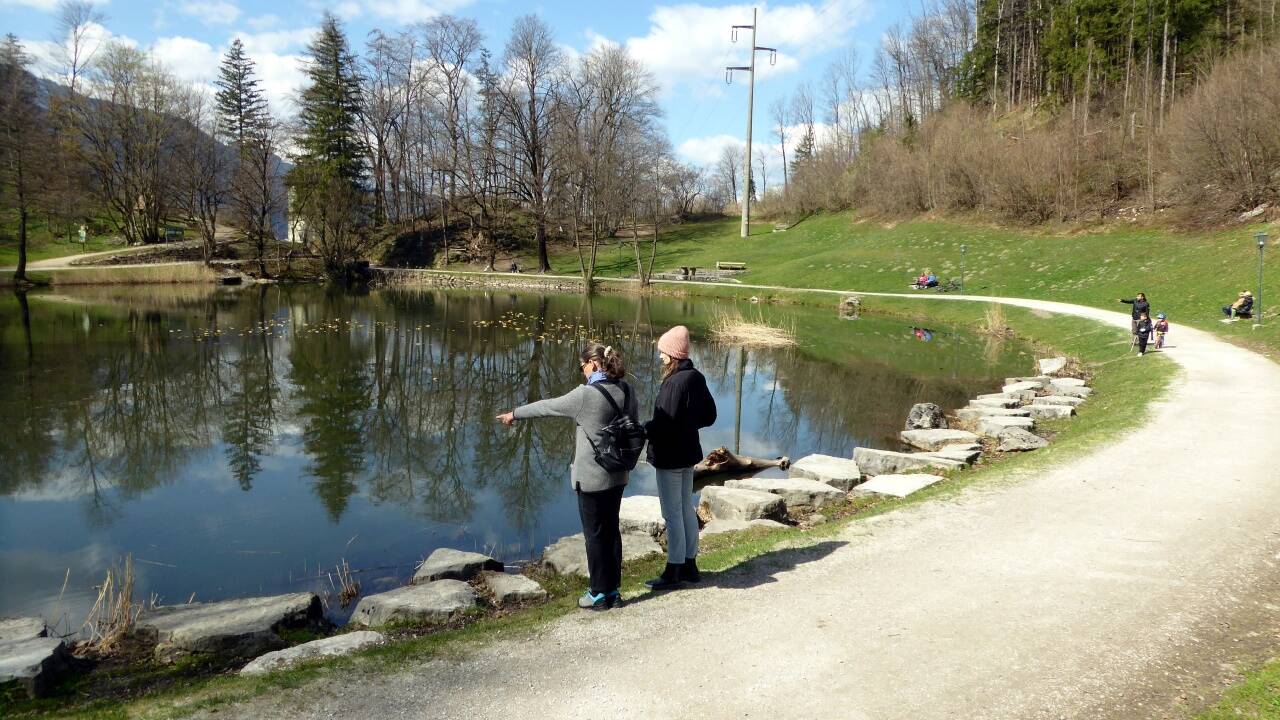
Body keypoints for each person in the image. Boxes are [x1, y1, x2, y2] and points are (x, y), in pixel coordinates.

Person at [496, 344, 638, 611]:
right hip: (619, 475)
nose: (581, 372)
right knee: (611, 533)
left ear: (594, 364)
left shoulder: (586, 395)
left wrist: (514, 414)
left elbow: (547, 407)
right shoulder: (627, 390)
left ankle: (598, 593)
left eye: (582, 366)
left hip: (593, 479)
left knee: (595, 536)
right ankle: (614, 591)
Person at [643, 326, 717, 590]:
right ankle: (690, 565)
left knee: (672, 513)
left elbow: (664, 423)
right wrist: (688, 425)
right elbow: (709, 416)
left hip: (671, 456)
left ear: (673, 353)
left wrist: (643, 429)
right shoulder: (696, 377)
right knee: (686, 508)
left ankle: (673, 570)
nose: (659, 355)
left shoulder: (674, 382)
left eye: (662, 351)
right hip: (688, 454)